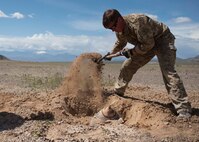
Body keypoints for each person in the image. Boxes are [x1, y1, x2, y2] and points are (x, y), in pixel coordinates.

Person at [102, 9, 192, 119]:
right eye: (110, 29)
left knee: (168, 72)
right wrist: (111, 54)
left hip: (163, 40)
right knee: (128, 66)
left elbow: (148, 45)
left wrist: (130, 52)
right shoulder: (118, 29)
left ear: (120, 19)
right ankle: (118, 93)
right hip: (145, 45)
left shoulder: (138, 21)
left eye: (113, 27)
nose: (113, 30)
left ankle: (183, 109)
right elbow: (121, 42)